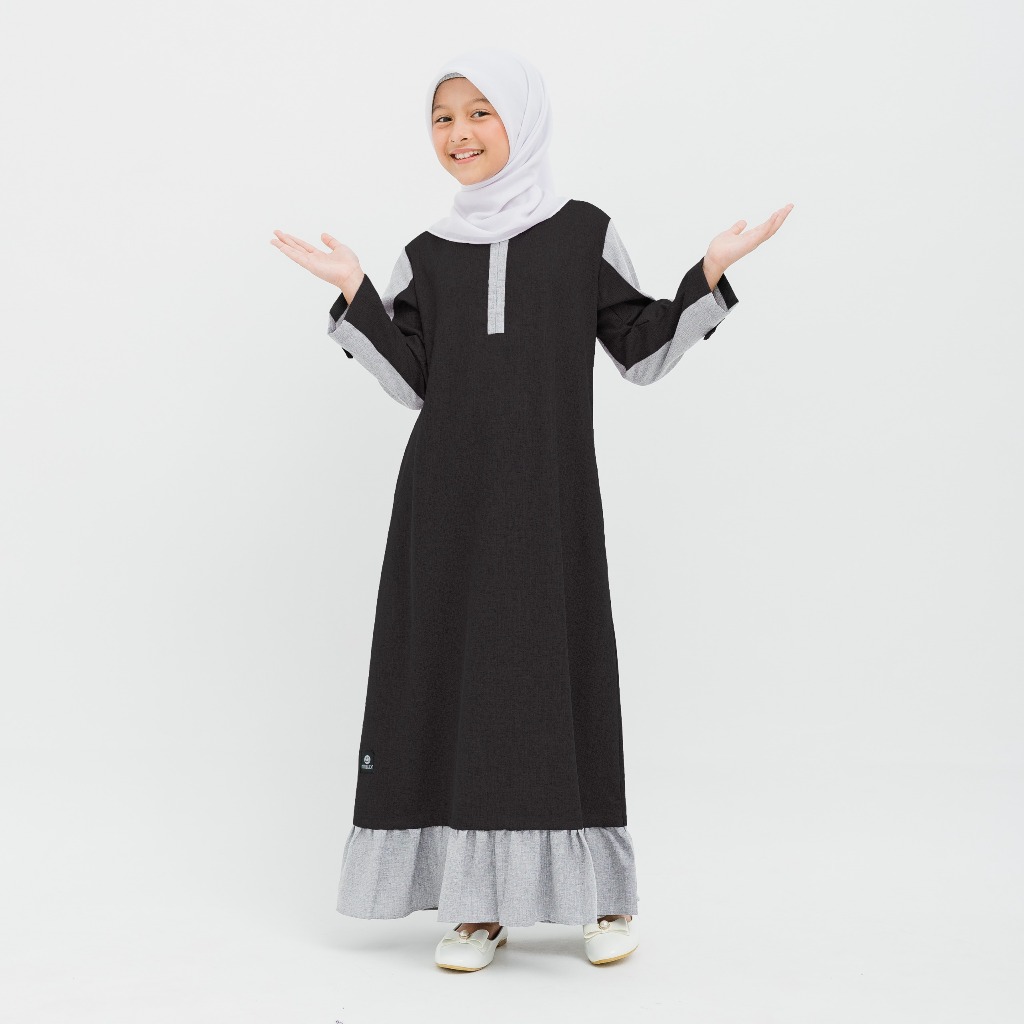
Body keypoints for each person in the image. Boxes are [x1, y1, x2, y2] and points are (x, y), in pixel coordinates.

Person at [271, 46, 792, 973]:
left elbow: (641, 352)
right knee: (455, 686)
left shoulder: (581, 232)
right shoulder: (425, 254)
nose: (459, 133)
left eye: (480, 112)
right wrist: (355, 290)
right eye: (442, 118)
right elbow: (412, 381)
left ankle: (602, 897)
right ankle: (474, 907)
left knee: (562, 676)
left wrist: (707, 274)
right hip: (447, 509)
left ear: (522, 119)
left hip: (549, 508)